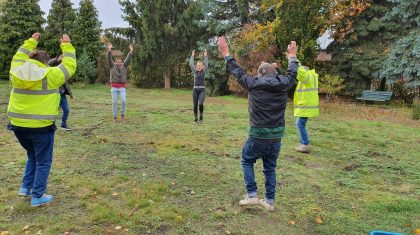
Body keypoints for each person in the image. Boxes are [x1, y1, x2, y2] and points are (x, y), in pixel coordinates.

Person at [217, 36, 298, 211]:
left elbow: (238, 72)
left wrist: (226, 53)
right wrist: (292, 56)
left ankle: (252, 195)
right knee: (270, 167)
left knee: (247, 160)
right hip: (276, 136)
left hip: (258, 135)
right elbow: (292, 73)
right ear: (275, 74)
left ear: (259, 74)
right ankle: (269, 201)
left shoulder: (253, 83)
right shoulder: (283, 83)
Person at [7, 32, 77, 207]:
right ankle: (37, 196)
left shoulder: (15, 71)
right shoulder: (51, 75)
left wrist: (31, 41)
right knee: (43, 161)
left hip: (17, 126)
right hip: (41, 127)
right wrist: (66, 45)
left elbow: (18, 55)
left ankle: (25, 187)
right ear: (45, 62)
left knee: (32, 156)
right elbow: (69, 65)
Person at [293, 65, 319, 153]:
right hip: (306, 105)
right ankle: (303, 144)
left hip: (306, 106)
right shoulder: (309, 78)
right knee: (299, 124)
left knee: (300, 124)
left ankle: (305, 144)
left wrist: (297, 64)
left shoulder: (308, 77)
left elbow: (302, 74)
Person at [107, 43, 133, 122]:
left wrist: (131, 51)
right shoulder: (112, 66)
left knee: (123, 101)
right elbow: (109, 58)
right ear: (115, 62)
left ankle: (122, 115)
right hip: (114, 88)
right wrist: (109, 50)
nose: (119, 63)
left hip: (122, 88)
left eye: (120, 62)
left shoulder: (124, 66)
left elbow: (128, 59)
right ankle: (114, 116)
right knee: (114, 102)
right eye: (117, 62)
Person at [48, 55, 74, 131]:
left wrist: (70, 94)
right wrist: (58, 59)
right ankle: (50, 125)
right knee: (53, 110)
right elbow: (49, 63)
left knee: (66, 110)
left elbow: (66, 84)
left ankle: (63, 124)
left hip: (61, 94)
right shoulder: (53, 66)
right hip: (53, 94)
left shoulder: (64, 69)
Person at [189, 49, 208, 123]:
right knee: (195, 105)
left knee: (200, 103)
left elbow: (206, 65)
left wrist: (206, 56)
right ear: (196, 67)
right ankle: (195, 118)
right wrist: (192, 56)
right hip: (195, 91)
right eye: (198, 66)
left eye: (200, 66)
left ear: (202, 67)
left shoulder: (203, 72)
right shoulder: (195, 72)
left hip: (202, 90)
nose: (199, 67)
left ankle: (201, 117)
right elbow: (191, 64)